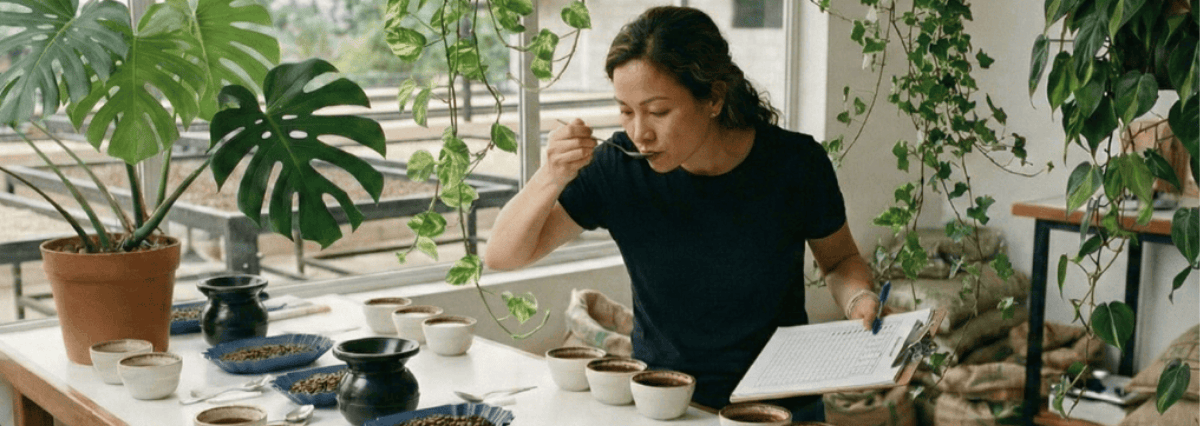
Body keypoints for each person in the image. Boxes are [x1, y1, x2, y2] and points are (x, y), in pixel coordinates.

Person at [483, 5, 882, 421]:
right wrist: (550, 176)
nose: (640, 133)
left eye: (658, 111)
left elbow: (839, 260)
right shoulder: (619, 168)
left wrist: (858, 299)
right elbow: (503, 255)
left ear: (713, 97)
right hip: (666, 406)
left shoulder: (795, 164)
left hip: (780, 410)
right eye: (626, 110)